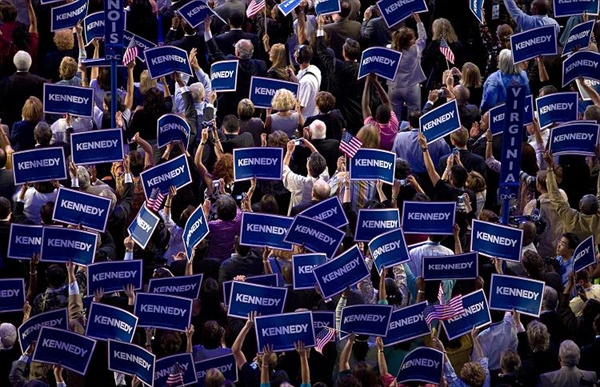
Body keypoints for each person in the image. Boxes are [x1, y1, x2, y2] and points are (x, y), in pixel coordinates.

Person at [387, 13, 427, 118]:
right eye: (413, 38)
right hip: (411, 87)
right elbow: (423, 38)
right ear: (407, 41)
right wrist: (418, 22)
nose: (415, 39)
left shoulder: (389, 49)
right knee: (414, 116)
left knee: (395, 117)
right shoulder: (415, 50)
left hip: (393, 87)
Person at [362, 74, 399, 151]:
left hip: (377, 154)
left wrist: (367, 82)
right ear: (390, 117)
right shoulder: (394, 123)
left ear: (376, 118)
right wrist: (375, 81)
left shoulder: (372, 128)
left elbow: (365, 106)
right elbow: (386, 102)